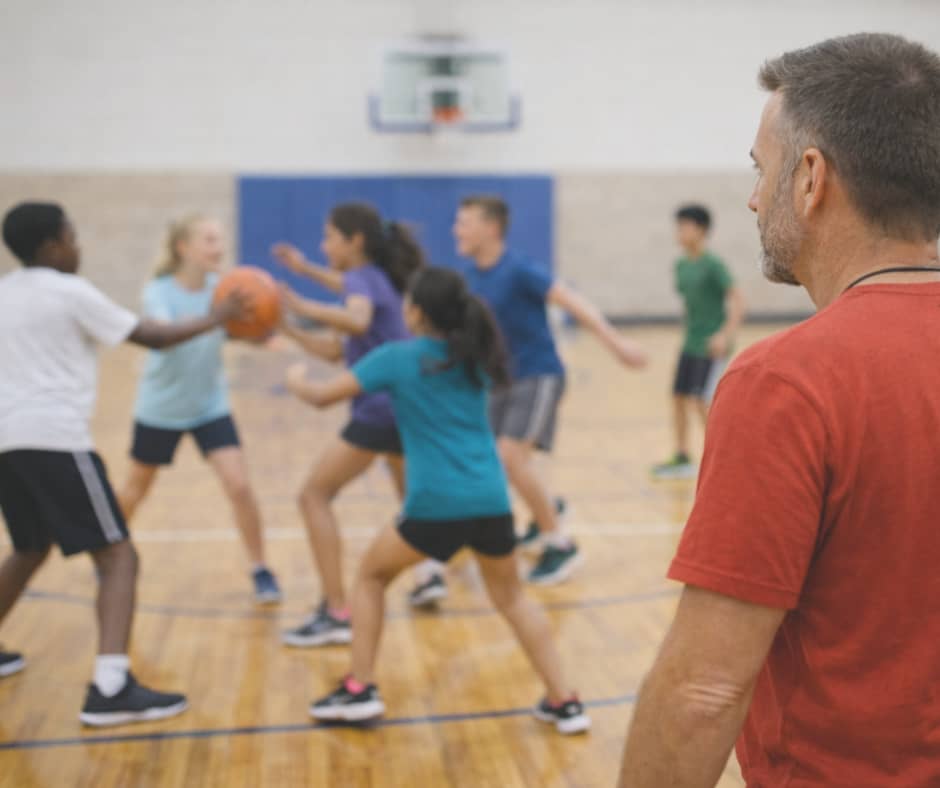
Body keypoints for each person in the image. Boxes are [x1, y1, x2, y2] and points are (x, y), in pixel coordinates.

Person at [619, 33, 940, 787]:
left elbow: (704, 689)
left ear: (810, 178)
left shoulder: (787, 383)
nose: (755, 197)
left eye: (761, 170)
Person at [287, 266, 591, 734]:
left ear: (418, 312)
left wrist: (295, 379)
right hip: (491, 500)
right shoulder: (476, 356)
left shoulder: (395, 358)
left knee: (370, 578)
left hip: (435, 503)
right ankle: (565, 700)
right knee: (512, 597)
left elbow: (322, 397)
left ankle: (358, 690)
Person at [0, 201, 246, 725]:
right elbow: (152, 336)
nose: (78, 247)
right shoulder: (69, 291)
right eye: (71, 237)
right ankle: (110, 688)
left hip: (6, 441)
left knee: (27, 548)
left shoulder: (4, 292)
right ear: (50, 246)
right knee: (119, 558)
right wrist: (220, 317)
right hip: (54, 438)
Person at [411, 196, 646, 594]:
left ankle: (561, 543)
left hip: (538, 376)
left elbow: (572, 302)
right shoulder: (469, 280)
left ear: (491, 228)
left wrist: (616, 344)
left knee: (509, 455)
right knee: (486, 459)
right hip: (498, 381)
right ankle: (546, 513)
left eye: (464, 222)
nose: (456, 230)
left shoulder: (519, 270)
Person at [273, 202, 424, 647]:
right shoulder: (374, 279)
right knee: (415, 504)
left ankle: (338, 609)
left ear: (354, 241)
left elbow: (355, 318)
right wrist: (292, 328)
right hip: (402, 407)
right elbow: (339, 350)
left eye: (329, 238)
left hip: (380, 409)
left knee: (313, 495)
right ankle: (432, 571)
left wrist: (303, 303)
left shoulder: (362, 282)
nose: (323, 246)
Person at [116, 215, 281, 604]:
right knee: (136, 489)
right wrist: (217, 316)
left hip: (210, 404)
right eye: (209, 240)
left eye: (220, 240)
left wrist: (265, 326)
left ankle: (260, 568)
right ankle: (109, 553)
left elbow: (237, 332)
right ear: (183, 248)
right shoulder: (160, 292)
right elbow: (163, 338)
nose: (218, 248)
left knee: (239, 486)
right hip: (161, 408)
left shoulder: (222, 290)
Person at [650, 204, 745, 480]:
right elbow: (690, 306)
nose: (679, 232)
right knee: (679, 397)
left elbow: (739, 301)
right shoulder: (680, 266)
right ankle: (681, 454)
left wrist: (724, 335)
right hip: (690, 343)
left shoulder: (713, 265)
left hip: (712, 345)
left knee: (702, 402)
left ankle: (722, 458)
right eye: (678, 226)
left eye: (685, 226)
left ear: (701, 230)